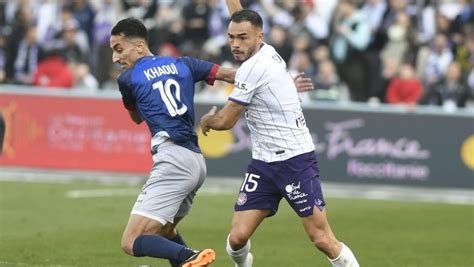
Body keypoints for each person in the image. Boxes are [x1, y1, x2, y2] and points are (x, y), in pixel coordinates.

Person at [199, 2, 360, 267]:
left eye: (242, 38)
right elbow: (241, 19)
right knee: (237, 238)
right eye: (231, 37)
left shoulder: (253, 68)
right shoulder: (265, 50)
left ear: (258, 37)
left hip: (295, 162)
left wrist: (208, 119)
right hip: (263, 165)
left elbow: (226, 121)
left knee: (322, 239)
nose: (235, 44)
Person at [109, 17, 236, 267]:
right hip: (196, 162)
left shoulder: (128, 79)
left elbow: (135, 118)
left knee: (132, 240)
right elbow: (230, 75)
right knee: (165, 232)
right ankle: (187, 260)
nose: (115, 58)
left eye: (119, 49)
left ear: (139, 45)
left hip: (173, 158)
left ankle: (190, 256)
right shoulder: (184, 63)